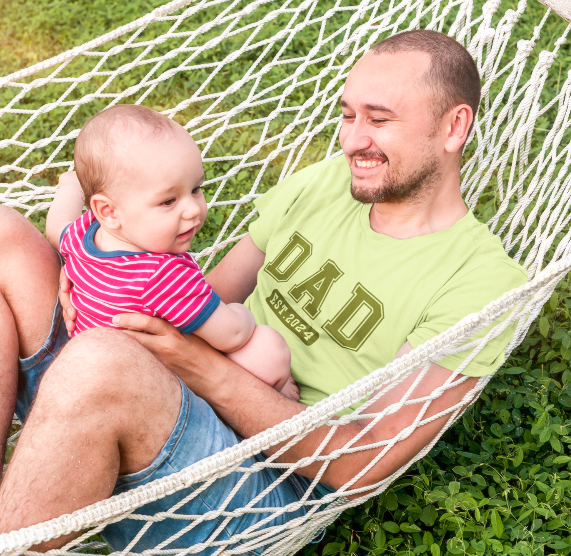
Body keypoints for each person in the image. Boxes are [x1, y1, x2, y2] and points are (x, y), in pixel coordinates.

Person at [0, 30, 527, 551]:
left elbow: (362, 460)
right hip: (173, 396)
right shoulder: (327, 182)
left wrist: (194, 364)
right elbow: (207, 293)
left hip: (267, 485)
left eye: (379, 120)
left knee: (99, 359)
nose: (352, 140)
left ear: (454, 126)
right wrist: (102, 261)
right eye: (347, 116)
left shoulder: (481, 281)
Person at [46, 105, 292, 393]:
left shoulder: (86, 233)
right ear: (109, 210)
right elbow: (233, 335)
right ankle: (279, 391)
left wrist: (71, 186)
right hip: (152, 391)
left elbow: (56, 226)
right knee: (267, 348)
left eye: (195, 189)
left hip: (88, 373)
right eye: (168, 201)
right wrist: (241, 312)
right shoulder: (161, 274)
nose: (192, 210)